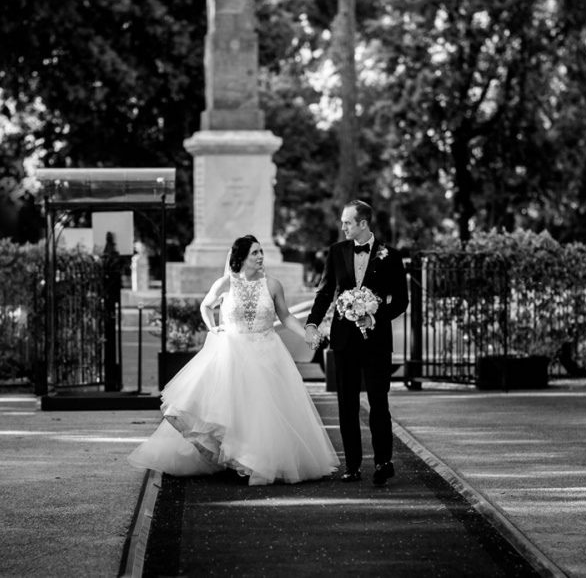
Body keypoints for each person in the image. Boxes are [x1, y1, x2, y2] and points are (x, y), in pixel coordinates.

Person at [128, 235, 339, 486]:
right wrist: (213, 327)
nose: (261, 257)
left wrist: (307, 332)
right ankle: (237, 458)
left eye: (262, 252)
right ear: (241, 258)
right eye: (255, 253)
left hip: (267, 352)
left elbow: (285, 316)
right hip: (232, 352)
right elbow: (206, 306)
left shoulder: (273, 285)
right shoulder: (225, 283)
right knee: (231, 409)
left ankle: (261, 462)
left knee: (262, 412)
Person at [305, 200, 409, 486]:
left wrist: (375, 316)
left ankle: (382, 462)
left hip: (376, 342)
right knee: (347, 404)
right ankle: (352, 465)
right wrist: (312, 323)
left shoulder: (391, 255)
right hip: (344, 341)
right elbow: (325, 292)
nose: (343, 227)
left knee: (378, 401)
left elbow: (401, 301)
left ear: (363, 223)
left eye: (348, 222)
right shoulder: (336, 252)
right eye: (343, 222)